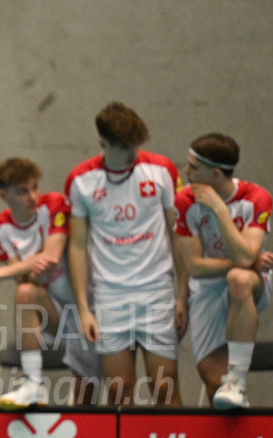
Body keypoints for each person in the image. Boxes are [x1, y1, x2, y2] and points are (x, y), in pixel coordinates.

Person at [66, 102, 187, 406]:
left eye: (135, 145)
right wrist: (84, 308)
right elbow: (77, 246)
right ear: (102, 143)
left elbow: (179, 235)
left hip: (157, 291)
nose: (132, 153)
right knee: (120, 391)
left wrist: (182, 296)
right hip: (110, 297)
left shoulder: (162, 171)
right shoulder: (81, 181)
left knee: (164, 387)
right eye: (123, 147)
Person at [0, 158, 102, 408]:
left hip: (91, 309)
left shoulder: (53, 204)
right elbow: (23, 278)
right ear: (3, 195)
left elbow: (52, 257)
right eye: (22, 192)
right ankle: (34, 384)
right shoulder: (0, 226)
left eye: (35, 187)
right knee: (25, 293)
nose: (32, 197)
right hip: (56, 312)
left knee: (85, 399)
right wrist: (30, 267)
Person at [174, 133, 273, 409]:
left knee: (239, 279)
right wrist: (182, 299)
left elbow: (245, 257)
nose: (185, 172)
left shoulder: (257, 198)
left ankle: (238, 380)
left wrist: (220, 210)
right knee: (212, 381)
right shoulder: (185, 201)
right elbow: (196, 266)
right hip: (207, 285)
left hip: (252, 282)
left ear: (215, 173)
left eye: (193, 167)